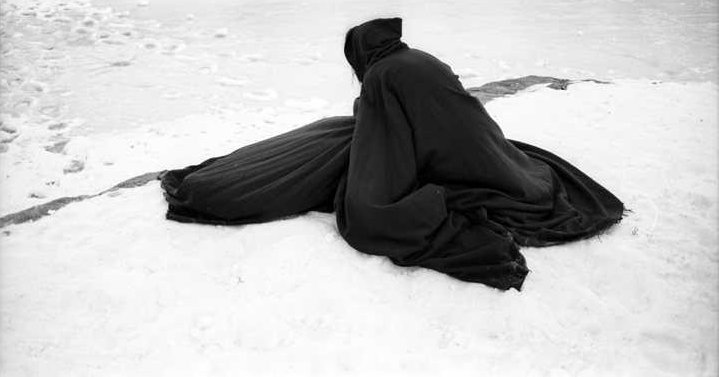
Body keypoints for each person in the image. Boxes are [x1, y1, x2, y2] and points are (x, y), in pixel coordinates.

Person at [160, 17, 624, 290]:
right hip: (490, 151)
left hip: (456, 163)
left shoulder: (383, 76)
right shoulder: (419, 58)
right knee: (341, 135)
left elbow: (387, 141)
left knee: (368, 198)